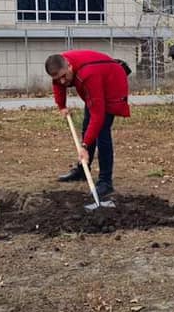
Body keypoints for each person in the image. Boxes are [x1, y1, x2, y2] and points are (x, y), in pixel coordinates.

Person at [46, 50, 131, 201]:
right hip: (98, 79)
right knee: (87, 126)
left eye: (64, 77)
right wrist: (62, 106)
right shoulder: (58, 64)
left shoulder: (88, 75)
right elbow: (57, 84)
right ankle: (82, 171)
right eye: (58, 78)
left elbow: (98, 115)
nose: (63, 82)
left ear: (70, 67)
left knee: (102, 131)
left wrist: (84, 146)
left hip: (113, 83)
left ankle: (106, 181)